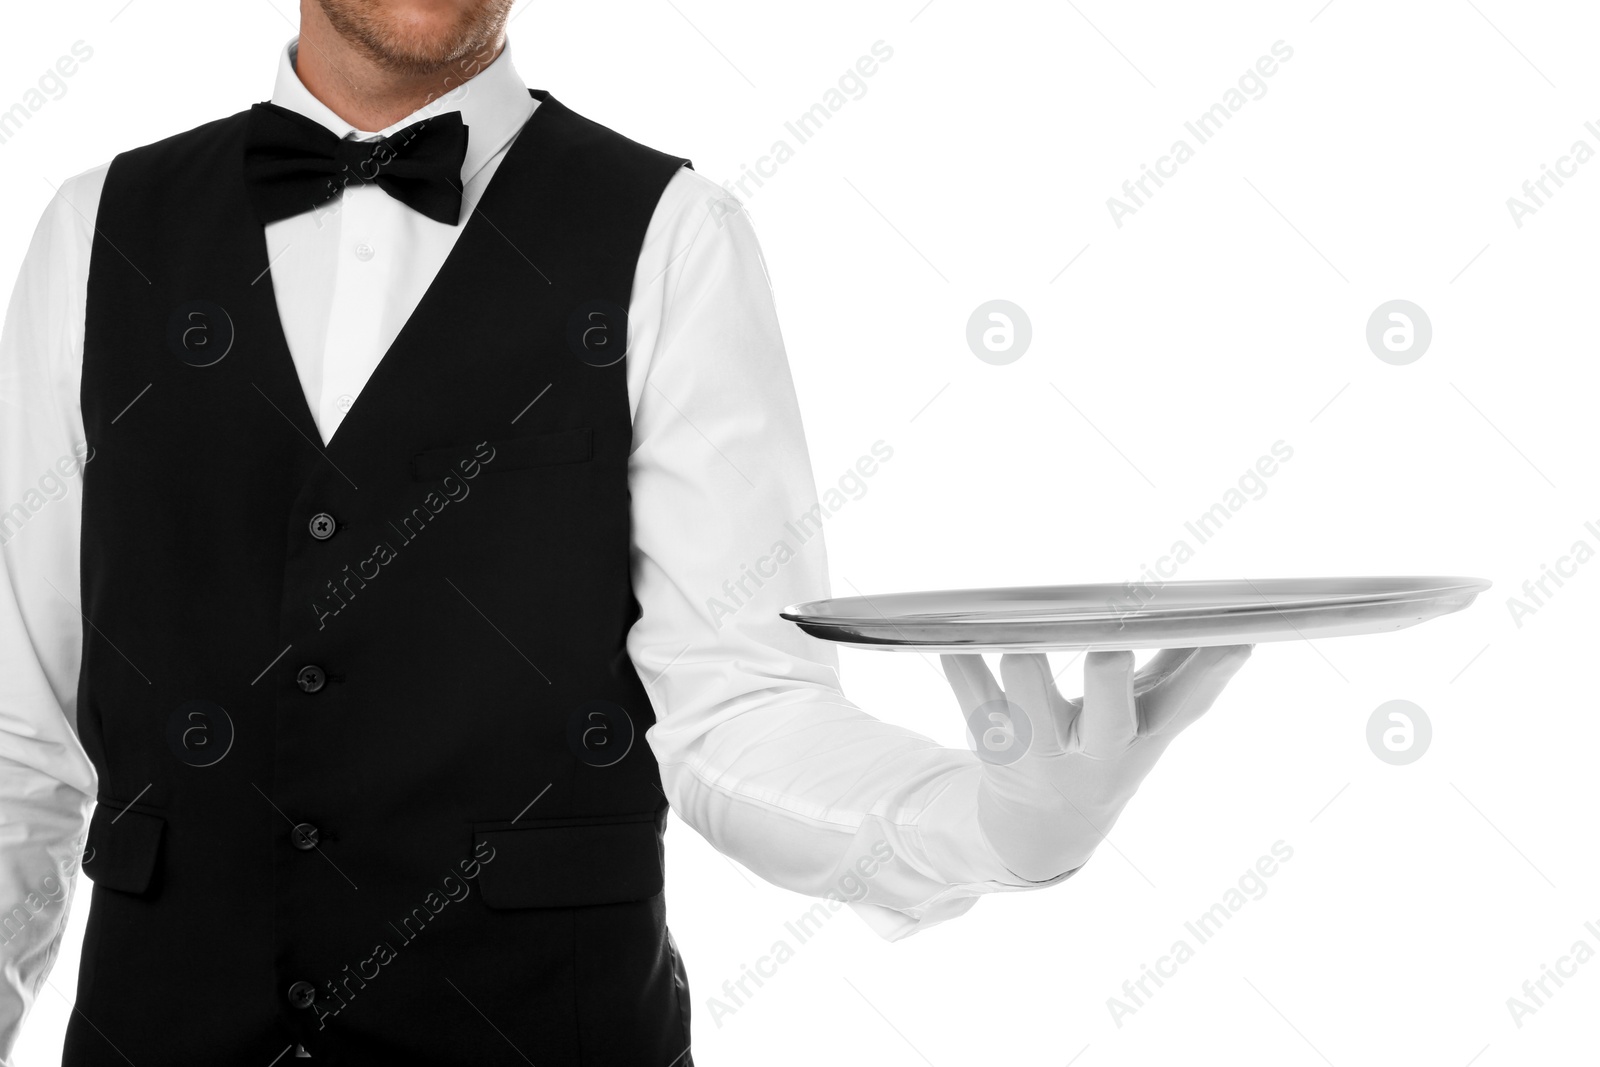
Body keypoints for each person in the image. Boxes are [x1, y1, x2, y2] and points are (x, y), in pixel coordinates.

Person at [0, 1, 1252, 1063]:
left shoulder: (669, 232)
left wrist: (992, 824)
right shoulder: (94, 227)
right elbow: (17, 745)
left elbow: (739, 708)